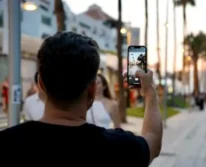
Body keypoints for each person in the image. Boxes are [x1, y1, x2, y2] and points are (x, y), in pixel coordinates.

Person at [0, 32, 162, 166]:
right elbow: (153, 140)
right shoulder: (118, 147)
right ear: (92, 90)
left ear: (41, 83)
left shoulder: (7, 145)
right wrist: (149, 93)